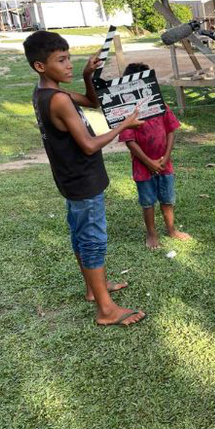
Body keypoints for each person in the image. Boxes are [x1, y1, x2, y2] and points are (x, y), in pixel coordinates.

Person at [25, 30, 146, 327]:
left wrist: (87, 75)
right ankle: (106, 309)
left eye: (69, 59)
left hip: (70, 178)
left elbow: (92, 102)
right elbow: (89, 145)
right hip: (83, 180)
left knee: (81, 235)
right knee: (92, 240)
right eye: (61, 60)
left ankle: (94, 290)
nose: (68, 65)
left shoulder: (47, 93)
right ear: (41, 66)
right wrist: (124, 125)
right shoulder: (59, 100)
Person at [118, 62, 191, 249]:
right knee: (148, 201)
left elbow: (171, 131)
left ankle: (171, 229)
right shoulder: (129, 114)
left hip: (165, 164)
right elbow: (130, 142)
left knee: (167, 199)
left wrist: (165, 158)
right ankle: (151, 233)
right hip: (143, 167)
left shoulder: (161, 106)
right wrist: (149, 162)